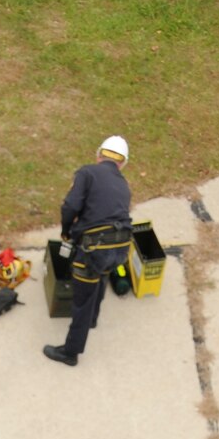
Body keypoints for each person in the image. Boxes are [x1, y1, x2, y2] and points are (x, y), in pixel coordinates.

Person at [43, 135, 132, 366]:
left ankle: (70, 352)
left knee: (81, 300)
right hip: (121, 249)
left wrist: (66, 231)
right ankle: (92, 319)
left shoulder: (87, 172)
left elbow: (71, 206)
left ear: (98, 154)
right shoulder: (123, 184)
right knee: (100, 278)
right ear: (122, 163)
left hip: (94, 248)